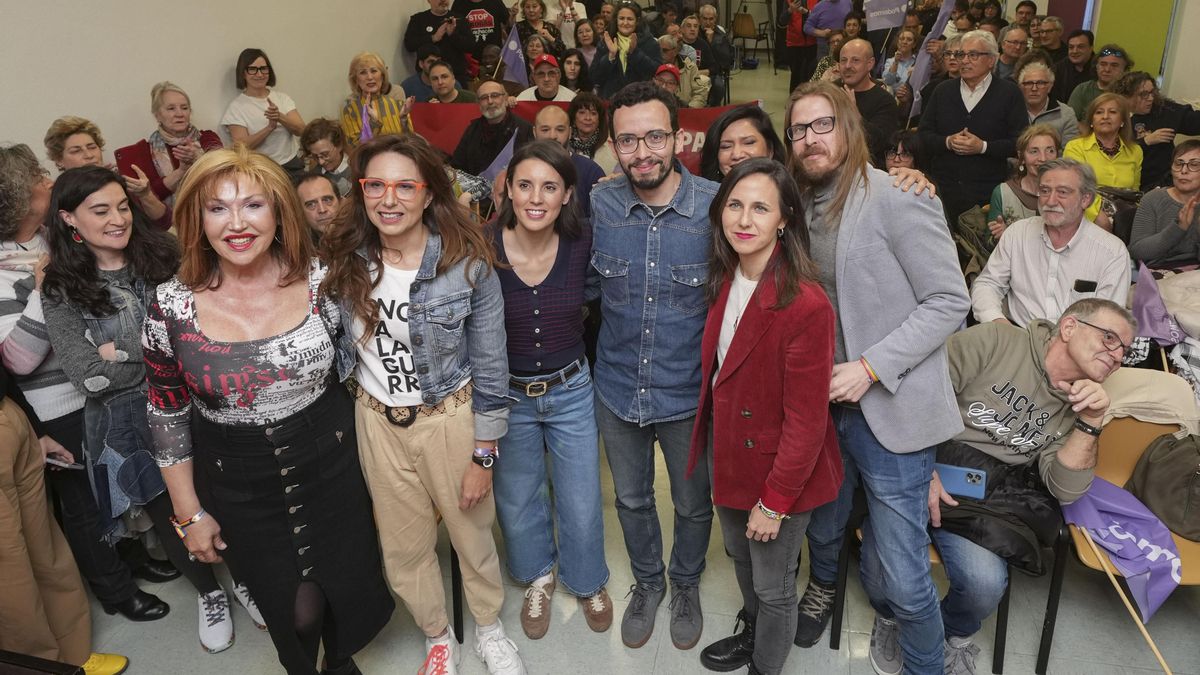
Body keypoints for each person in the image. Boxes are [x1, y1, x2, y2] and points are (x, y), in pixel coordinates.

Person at [141, 147, 394, 675]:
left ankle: (341, 663)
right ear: (196, 219)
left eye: (253, 205)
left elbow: (364, 367)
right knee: (296, 613)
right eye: (217, 208)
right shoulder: (171, 306)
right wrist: (189, 514)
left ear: (279, 212)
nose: (236, 224)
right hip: (239, 483)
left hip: (332, 465)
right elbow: (166, 415)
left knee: (346, 589)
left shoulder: (322, 281)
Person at [320, 134, 525, 674]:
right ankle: (437, 635)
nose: (389, 199)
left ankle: (488, 626)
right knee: (403, 547)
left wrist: (484, 454)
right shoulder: (342, 261)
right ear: (361, 191)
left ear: (429, 193)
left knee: (471, 535)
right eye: (376, 185)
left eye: (405, 186)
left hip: (449, 419)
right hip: (376, 421)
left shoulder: (467, 265)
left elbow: (492, 366)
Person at [785, 81, 971, 673]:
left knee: (903, 572)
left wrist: (870, 368)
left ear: (849, 127)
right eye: (798, 129)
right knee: (824, 523)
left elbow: (949, 300)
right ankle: (823, 589)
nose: (809, 139)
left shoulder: (897, 196)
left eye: (821, 125)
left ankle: (925, 666)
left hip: (890, 409)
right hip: (822, 407)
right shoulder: (795, 205)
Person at [41, 166, 245, 654]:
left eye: (122, 206)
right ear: (69, 219)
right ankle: (210, 593)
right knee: (170, 510)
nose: (117, 219)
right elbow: (87, 376)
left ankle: (246, 581)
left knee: (221, 496)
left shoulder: (166, 254)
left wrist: (119, 351)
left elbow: (207, 328)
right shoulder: (60, 286)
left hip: (196, 401)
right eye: (100, 211)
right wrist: (162, 349)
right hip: (126, 422)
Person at [0, 145, 173, 627]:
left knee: (119, 481)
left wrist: (112, 350)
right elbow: (16, 359)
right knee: (84, 500)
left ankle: (136, 561)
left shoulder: (57, 242)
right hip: (57, 402)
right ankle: (115, 589)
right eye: (37, 178)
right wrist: (43, 293)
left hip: (113, 386)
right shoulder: (10, 270)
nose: (47, 181)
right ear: (19, 196)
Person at [690, 158, 842, 675]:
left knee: (773, 585)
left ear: (784, 220)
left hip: (781, 470)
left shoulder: (806, 303)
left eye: (760, 208)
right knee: (739, 557)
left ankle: (766, 666)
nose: (744, 219)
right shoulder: (726, 276)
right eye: (734, 205)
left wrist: (774, 505)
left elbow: (807, 422)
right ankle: (753, 635)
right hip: (733, 453)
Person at [930, 298, 1134, 672]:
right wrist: (922, 471)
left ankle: (947, 634)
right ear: (1069, 327)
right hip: (921, 466)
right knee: (883, 572)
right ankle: (890, 615)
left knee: (983, 586)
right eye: (1109, 338)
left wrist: (1090, 422)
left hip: (980, 499)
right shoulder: (996, 341)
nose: (1118, 355)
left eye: (1125, 350)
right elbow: (920, 397)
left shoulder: (1081, 403)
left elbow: (1065, 490)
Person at [588, 81, 716, 651]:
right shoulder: (600, 204)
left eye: (655, 137)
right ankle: (648, 582)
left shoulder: (716, 206)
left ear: (678, 138)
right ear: (613, 145)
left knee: (692, 504)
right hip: (617, 388)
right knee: (632, 499)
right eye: (628, 140)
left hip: (688, 393)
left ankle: (685, 582)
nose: (642, 153)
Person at [486, 140, 612, 641]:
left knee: (581, 497)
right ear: (508, 191)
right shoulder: (482, 245)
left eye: (549, 187)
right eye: (525, 185)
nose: (536, 198)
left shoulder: (583, 241)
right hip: (509, 395)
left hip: (571, 388)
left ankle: (587, 580)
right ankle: (538, 577)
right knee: (518, 497)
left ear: (567, 195)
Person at [0, 363, 130, 675]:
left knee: (46, 549)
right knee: (10, 570)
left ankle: (75, 656)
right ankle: (41, 668)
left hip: (10, 415)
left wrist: (37, 430)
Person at [972, 158, 1130, 326]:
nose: (1051, 201)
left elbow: (1107, 320)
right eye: (1045, 191)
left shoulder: (1112, 252)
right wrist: (998, 322)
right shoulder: (1017, 234)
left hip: (1079, 340)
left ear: (1085, 199)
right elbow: (988, 284)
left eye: (1062, 192)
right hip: (1019, 335)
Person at [919, 30, 1025, 224]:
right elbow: (923, 135)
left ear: (991, 60)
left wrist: (982, 147)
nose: (964, 61)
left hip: (987, 194)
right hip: (942, 192)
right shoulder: (942, 91)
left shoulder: (1009, 93)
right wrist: (948, 142)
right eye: (961, 54)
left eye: (973, 55)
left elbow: (1019, 143)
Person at [114, 81, 223, 214]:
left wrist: (199, 158)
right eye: (171, 108)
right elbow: (150, 197)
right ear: (157, 115)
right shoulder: (144, 152)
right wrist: (181, 171)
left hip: (211, 213)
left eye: (184, 108)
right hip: (167, 221)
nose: (179, 114)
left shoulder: (207, 138)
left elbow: (225, 176)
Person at [44, 117, 168, 222]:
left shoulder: (119, 182)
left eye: (92, 147)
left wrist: (146, 195)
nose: (89, 155)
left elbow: (164, 221)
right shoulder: (56, 196)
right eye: (76, 151)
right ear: (59, 160)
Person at [222, 48, 306, 178]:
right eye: (252, 69)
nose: (259, 74)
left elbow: (301, 130)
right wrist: (269, 128)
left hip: (292, 164)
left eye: (263, 69)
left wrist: (280, 117)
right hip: (261, 170)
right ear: (243, 73)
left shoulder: (282, 98)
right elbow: (240, 148)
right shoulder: (236, 107)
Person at [1114, 71, 1200, 192]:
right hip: (1128, 182)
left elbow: (1194, 122)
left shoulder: (1163, 110)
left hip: (1165, 182)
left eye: (1152, 92)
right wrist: (1146, 141)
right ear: (1126, 96)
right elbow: (1114, 152)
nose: (1151, 98)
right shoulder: (1113, 115)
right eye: (1144, 94)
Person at [1064, 92, 1143, 223]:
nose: (1105, 117)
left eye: (1112, 112)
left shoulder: (1135, 151)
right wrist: (1098, 217)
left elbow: (1134, 193)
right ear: (1091, 121)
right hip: (1086, 215)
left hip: (1124, 216)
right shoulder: (1075, 147)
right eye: (1099, 112)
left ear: (1123, 121)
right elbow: (1075, 189)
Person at [1129, 140, 1200, 269]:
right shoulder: (1153, 198)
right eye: (1178, 164)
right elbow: (1137, 251)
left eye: (1194, 165)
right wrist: (1178, 228)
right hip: (1161, 271)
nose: (1184, 170)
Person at [987, 124, 1061, 238]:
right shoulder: (1003, 193)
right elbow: (989, 243)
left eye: (1050, 151)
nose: (1043, 158)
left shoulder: (1067, 193)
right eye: (1034, 151)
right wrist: (1004, 235)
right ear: (1021, 157)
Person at [530, 106, 604, 215]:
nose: (552, 136)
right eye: (545, 130)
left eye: (560, 130)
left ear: (569, 133)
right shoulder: (521, 168)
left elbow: (600, 220)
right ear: (534, 132)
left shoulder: (591, 171)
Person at [837, 39, 899, 169]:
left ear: (870, 64)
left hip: (866, 172)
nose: (847, 66)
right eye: (843, 60)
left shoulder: (885, 101)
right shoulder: (829, 92)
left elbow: (879, 144)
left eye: (855, 60)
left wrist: (854, 115)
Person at [452, 78, 534, 176]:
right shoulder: (472, 130)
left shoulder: (524, 129)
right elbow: (457, 165)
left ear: (505, 99)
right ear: (479, 104)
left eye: (495, 95)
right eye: (484, 98)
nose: (490, 101)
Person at [340, 52, 414, 148]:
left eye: (374, 71)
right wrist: (373, 124)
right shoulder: (350, 110)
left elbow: (410, 141)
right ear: (356, 80)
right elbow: (357, 148)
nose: (370, 77)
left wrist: (403, 119)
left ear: (382, 76)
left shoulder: (398, 105)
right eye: (363, 73)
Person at [590, 3, 663, 99]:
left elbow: (656, 73)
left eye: (630, 19)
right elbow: (594, 77)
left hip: (641, 101)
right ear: (616, 20)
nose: (625, 23)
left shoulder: (650, 42)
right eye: (621, 18)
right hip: (611, 101)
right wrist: (610, 57)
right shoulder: (606, 42)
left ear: (637, 21)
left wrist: (635, 53)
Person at [698, 105, 786, 182]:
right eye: (726, 146)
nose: (737, 155)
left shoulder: (789, 194)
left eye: (749, 143)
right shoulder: (703, 195)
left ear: (770, 150)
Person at [405, 0, 474, 85]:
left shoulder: (460, 19)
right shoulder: (418, 19)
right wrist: (433, 38)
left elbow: (470, 46)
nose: (443, 0)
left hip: (456, 76)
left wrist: (453, 35)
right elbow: (409, 45)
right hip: (427, 78)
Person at [1018, 62, 1079, 144]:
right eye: (1029, 83)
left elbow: (1070, 149)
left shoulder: (1066, 114)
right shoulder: (1010, 111)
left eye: (1040, 83)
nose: (1034, 88)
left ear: (1050, 87)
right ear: (1021, 87)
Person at [1068, 44, 1131, 122]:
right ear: (1096, 67)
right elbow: (1069, 123)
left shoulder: (1130, 92)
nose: (1107, 69)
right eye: (1103, 64)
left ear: (1125, 70)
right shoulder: (1082, 90)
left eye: (1114, 65)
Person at [299, 118, 352, 197]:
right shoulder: (314, 175)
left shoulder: (357, 169)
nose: (321, 162)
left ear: (339, 145)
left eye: (325, 154)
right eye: (315, 156)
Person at [568, 92, 617, 172]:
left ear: (599, 119)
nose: (588, 118)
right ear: (573, 118)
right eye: (582, 112)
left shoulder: (611, 146)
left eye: (593, 113)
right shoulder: (564, 144)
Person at [657, 36, 710, 109]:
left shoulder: (690, 67)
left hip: (686, 109)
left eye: (664, 50)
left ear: (675, 51)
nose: (660, 53)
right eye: (658, 50)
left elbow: (699, 93)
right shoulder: (653, 67)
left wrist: (690, 109)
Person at [782, 0, 820, 94]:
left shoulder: (817, 1)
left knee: (810, 75)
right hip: (794, 44)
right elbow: (782, 21)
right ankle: (794, 99)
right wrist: (790, 10)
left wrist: (807, 12)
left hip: (812, 43)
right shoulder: (789, 1)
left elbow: (820, 19)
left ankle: (809, 99)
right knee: (796, 75)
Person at [1050, 29, 1095, 106]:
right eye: (1071, 47)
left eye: (1080, 47)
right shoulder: (1058, 69)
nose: (1075, 51)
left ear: (1091, 48)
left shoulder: (1100, 68)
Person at [295, 172, 342, 241]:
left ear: (340, 201)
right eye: (311, 204)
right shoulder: (296, 245)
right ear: (300, 211)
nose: (322, 210)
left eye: (327, 200)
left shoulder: (358, 237)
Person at [882, 28, 919, 94]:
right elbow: (888, 82)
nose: (904, 42)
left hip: (909, 96)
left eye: (909, 39)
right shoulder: (890, 61)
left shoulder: (918, 63)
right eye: (902, 39)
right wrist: (896, 62)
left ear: (914, 44)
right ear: (897, 42)